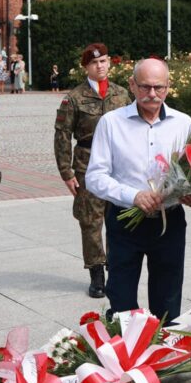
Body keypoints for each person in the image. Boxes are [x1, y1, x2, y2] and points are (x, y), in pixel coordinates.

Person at [85, 58, 191, 322]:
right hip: (125, 223)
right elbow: (94, 177)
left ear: (169, 86)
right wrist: (133, 195)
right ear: (132, 85)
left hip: (169, 222)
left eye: (159, 87)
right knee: (122, 300)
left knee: (168, 300)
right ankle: (126, 358)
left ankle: (162, 354)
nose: (152, 94)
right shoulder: (111, 123)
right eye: (145, 87)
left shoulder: (183, 123)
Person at [55, 43, 131, 298]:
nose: (101, 66)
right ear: (86, 67)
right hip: (87, 164)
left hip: (119, 164)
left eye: (104, 61)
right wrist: (66, 172)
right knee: (91, 222)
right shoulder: (74, 97)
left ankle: (117, 269)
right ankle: (96, 274)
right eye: (95, 63)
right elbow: (63, 135)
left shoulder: (122, 95)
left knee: (119, 219)